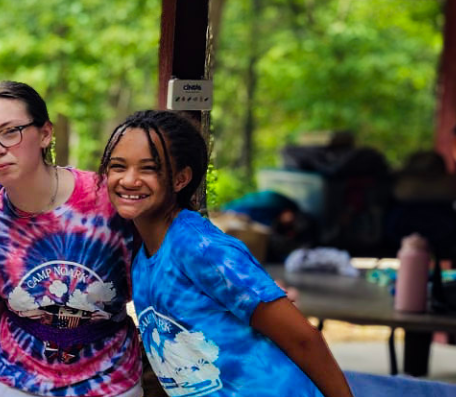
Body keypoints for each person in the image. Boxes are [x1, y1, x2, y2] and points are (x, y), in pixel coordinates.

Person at [102, 110, 350, 396]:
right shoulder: (142, 253)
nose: (129, 180)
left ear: (180, 179)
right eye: (118, 166)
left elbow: (304, 339)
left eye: (149, 168)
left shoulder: (200, 247)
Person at [0, 81, 142, 397]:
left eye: (10, 131)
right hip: (12, 383)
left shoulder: (108, 202)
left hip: (111, 382)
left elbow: (153, 288)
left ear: (45, 133)